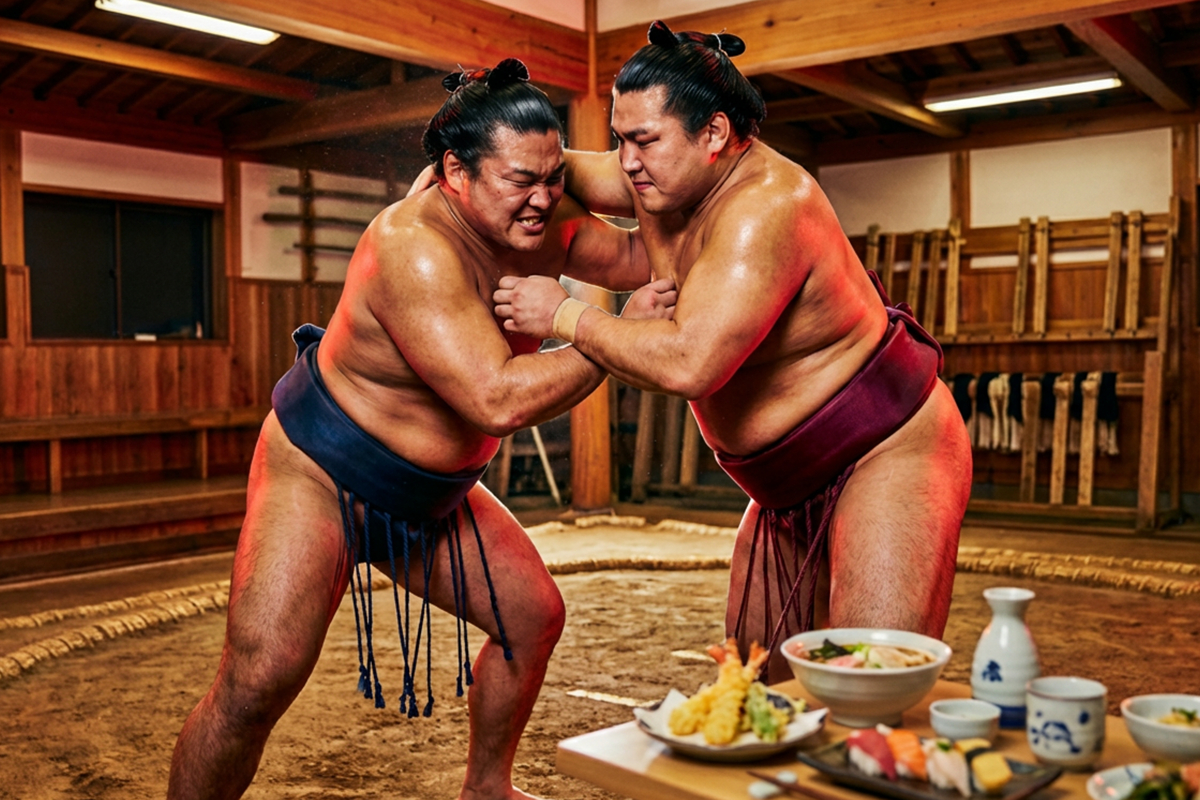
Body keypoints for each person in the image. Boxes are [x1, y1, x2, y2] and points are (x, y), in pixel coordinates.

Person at [167, 59, 672, 800]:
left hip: (431, 495)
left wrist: (670, 173)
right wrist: (607, 335)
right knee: (257, 679)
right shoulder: (412, 247)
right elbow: (496, 400)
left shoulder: (546, 216)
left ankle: (487, 789)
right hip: (324, 472)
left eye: (552, 177)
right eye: (517, 180)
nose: (540, 200)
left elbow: (640, 254)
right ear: (453, 174)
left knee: (533, 618)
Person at [493, 22, 973, 682]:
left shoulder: (768, 206)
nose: (627, 162)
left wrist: (567, 314)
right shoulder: (664, 176)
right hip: (781, 487)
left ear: (714, 134)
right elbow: (567, 167)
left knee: (869, 688)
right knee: (757, 692)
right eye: (620, 139)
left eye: (644, 140)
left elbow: (692, 363)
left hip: (884, 453)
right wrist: (478, 151)